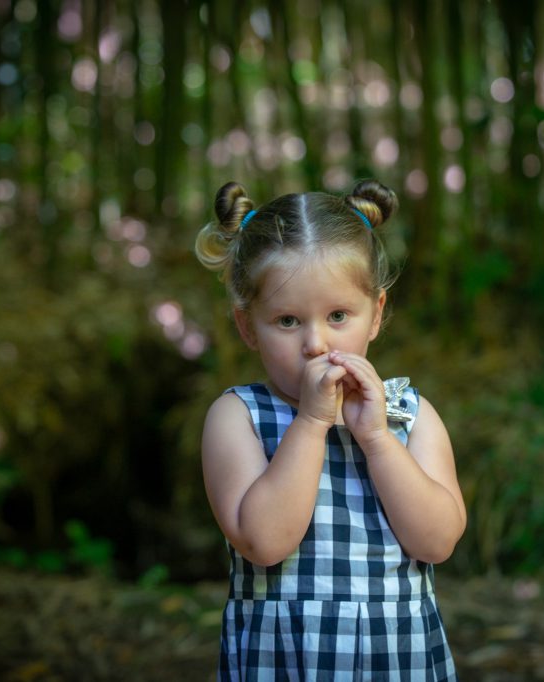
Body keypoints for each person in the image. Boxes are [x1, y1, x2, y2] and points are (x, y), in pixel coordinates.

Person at [195, 179, 466, 680]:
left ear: (376, 315)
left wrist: (378, 439)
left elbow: (438, 542)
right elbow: (263, 541)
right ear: (247, 325)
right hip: (285, 660)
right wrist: (314, 422)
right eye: (288, 320)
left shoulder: (408, 413)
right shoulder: (238, 417)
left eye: (339, 315)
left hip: (397, 660)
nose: (316, 343)